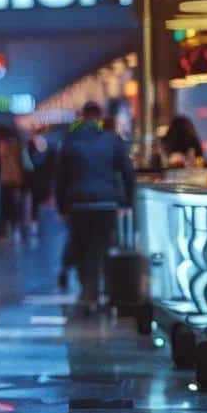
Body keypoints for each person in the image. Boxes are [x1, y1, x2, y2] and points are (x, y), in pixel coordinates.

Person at [56, 102, 137, 315]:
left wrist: (61, 205)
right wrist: (128, 201)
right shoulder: (112, 140)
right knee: (99, 248)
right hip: (105, 203)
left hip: (78, 203)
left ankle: (87, 291)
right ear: (100, 117)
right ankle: (95, 292)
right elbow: (127, 172)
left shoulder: (70, 140)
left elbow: (61, 177)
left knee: (81, 247)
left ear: (83, 116)